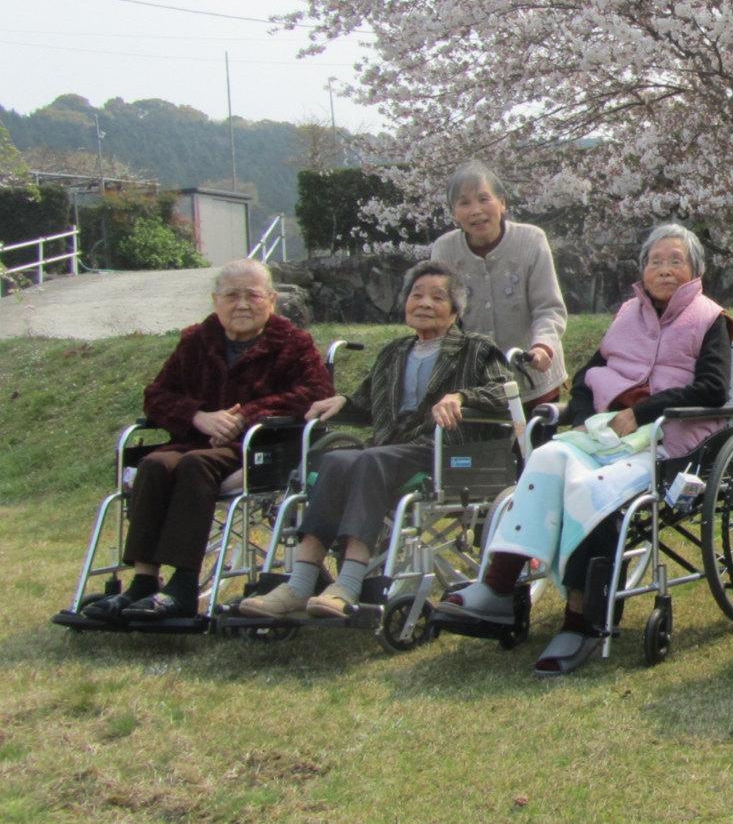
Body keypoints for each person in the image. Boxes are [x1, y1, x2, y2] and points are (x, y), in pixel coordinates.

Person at [440, 223, 730, 678]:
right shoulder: (627, 313)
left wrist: (646, 411)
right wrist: (577, 414)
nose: (665, 269)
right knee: (547, 457)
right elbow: (590, 371)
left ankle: (581, 619)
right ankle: (497, 586)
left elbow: (715, 390)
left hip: (667, 440)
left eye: (677, 261)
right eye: (656, 260)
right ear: (643, 269)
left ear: (696, 270)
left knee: (594, 490)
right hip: (605, 430)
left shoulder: (710, 318)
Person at [237, 261, 514, 620]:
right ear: (405, 303)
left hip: (443, 451)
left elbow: (506, 394)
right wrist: (343, 404)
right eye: (417, 295)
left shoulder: (476, 348)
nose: (425, 303)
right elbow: (369, 403)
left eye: (438, 297)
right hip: (390, 449)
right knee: (336, 460)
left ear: (456, 309)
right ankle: (299, 583)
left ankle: (349, 583)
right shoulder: (393, 353)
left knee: (370, 460)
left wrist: (462, 397)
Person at [80, 260, 332, 621]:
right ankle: (143, 580)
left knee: (196, 466)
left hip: (257, 449)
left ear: (271, 300)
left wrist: (244, 416)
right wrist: (198, 415)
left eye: (253, 295)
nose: (242, 304)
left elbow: (316, 392)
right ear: (216, 300)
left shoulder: (293, 342)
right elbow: (157, 394)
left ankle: (183, 586)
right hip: (193, 440)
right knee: (154, 464)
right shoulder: (197, 340)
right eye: (231, 295)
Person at [431, 160, 568, 404]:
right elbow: (442, 314)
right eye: (464, 203)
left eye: (484, 199)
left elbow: (548, 307)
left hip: (533, 377)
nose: (476, 210)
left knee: (537, 441)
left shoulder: (531, 240)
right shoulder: (445, 250)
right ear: (453, 212)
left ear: (502, 203)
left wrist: (542, 346)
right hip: (477, 385)